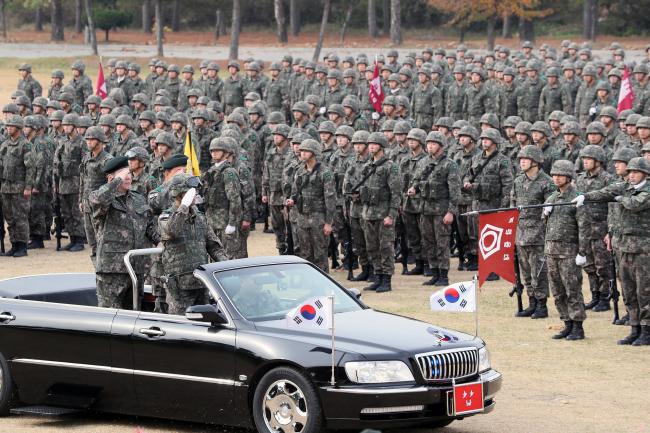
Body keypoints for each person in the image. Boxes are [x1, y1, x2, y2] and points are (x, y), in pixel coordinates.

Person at [576, 157, 650, 346]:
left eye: (635, 172)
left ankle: (647, 329)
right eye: (629, 172)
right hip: (623, 247)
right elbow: (604, 192)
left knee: (645, 291)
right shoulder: (624, 186)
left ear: (644, 173)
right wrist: (586, 196)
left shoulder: (646, 189)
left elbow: (635, 204)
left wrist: (618, 198)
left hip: (643, 249)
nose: (631, 175)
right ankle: (635, 327)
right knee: (628, 290)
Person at [89, 156, 159, 309]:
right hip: (112, 271)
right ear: (110, 178)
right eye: (123, 174)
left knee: (134, 316)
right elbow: (98, 201)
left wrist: (161, 241)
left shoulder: (139, 199)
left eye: (129, 173)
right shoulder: (100, 197)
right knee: (111, 319)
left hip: (136, 268)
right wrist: (116, 182)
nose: (128, 177)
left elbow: (149, 226)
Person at [159, 174, 227, 315]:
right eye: (190, 191)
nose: (195, 194)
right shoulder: (165, 217)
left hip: (202, 282)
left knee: (204, 323)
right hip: (179, 287)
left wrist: (226, 266)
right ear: (178, 194)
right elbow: (172, 231)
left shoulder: (200, 218)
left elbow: (214, 246)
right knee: (180, 327)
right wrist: (183, 206)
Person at [409, 131, 460, 286]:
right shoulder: (423, 162)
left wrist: (451, 212)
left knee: (442, 242)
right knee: (428, 242)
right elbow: (417, 180)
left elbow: (455, 191)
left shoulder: (449, 164)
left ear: (441, 146)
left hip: (441, 210)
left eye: (433, 143)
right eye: (428, 143)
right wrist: (414, 189)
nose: (430, 146)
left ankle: (443, 275)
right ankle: (434, 272)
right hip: (425, 209)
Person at [510, 145, 556, 318]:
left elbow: (549, 211)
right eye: (520, 158)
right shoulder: (518, 181)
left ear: (535, 162)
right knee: (526, 272)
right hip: (521, 234)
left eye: (526, 159)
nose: (522, 161)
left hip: (538, 234)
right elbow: (512, 206)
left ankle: (541, 305)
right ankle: (531, 302)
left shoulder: (547, 182)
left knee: (539, 272)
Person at [543, 159, 587, 340]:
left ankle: (577, 326)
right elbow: (546, 225)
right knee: (557, 291)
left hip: (569, 252)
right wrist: (545, 214)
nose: (556, 178)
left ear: (568, 176)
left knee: (572, 290)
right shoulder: (552, 198)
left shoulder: (576, 198)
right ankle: (566, 323)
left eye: (560, 175)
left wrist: (582, 252)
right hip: (552, 251)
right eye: (554, 174)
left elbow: (584, 227)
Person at [576, 144, 615, 312]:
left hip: (601, 228)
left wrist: (610, 230)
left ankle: (605, 297)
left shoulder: (608, 179)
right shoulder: (580, 179)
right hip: (585, 229)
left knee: (603, 266)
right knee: (589, 265)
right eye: (583, 158)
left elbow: (613, 206)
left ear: (598, 161)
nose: (585, 161)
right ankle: (595, 296)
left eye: (588, 158)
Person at [287, 139, 336, 272]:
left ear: (314, 153)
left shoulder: (325, 173)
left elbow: (330, 199)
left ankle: (323, 281)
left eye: (305, 151)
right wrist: (292, 200)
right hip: (302, 217)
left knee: (320, 252)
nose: (301, 153)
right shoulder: (300, 171)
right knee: (305, 253)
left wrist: (328, 223)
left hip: (318, 218)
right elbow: (295, 192)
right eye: (301, 151)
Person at [360, 132, 401, 293]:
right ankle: (377, 276)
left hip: (384, 214)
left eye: (374, 144)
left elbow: (396, 193)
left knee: (386, 247)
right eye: (369, 143)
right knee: (372, 247)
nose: (371, 146)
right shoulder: (367, 165)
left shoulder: (391, 167)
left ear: (382, 146)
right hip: (368, 213)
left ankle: (386, 280)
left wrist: (391, 215)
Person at [203, 137, 243, 259]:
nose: (214, 153)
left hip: (224, 221)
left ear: (225, 153)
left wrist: (232, 223)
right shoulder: (211, 171)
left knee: (228, 257)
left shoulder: (229, 172)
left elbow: (234, 199)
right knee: (213, 256)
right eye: (212, 151)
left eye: (218, 150)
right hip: (211, 221)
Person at [79, 126, 113, 264]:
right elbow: (83, 180)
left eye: (91, 139)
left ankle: (105, 267)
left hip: (101, 208)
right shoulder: (86, 158)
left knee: (103, 241)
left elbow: (111, 186)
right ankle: (97, 268)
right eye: (87, 139)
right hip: (87, 206)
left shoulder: (108, 160)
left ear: (99, 141)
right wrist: (81, 200)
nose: (88, 142)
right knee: (92, 241)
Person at [0, 115, 32, 257]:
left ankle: (22, 246)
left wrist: (28, 187)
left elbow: (30, 167)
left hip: (19, 187)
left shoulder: (25, 145)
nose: (8, 128)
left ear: (18, 128)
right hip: (6, 187)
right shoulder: (5, 145)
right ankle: (14, 244)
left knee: (21, 217)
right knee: (10, 217)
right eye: (7, 126)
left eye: (11, 126)